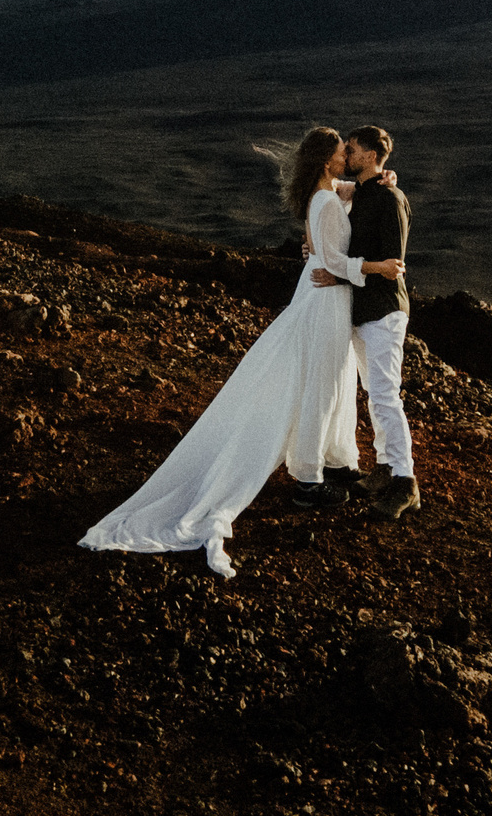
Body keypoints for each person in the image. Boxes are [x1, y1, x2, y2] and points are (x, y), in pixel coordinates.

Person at [78, 126, 405, 579]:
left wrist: (384, 179)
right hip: (327, 300)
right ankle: (309, 480)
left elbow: (348, 201)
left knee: (332, 378)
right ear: (325, 160)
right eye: (339, 152)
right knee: (321, 382)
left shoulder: (330, 193)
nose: (345, 157)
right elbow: (332, 261)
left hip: (330, 298)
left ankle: (333, 459)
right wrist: (376, 266)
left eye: (349, 151)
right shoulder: (326, 200)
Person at [302, 125, 418, 520]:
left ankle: (405, 482)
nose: (346, 154)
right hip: (363, 310)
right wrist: (317, 249)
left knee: (385, 395)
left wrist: (340, 276)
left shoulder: (389, 198)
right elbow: (325, 205)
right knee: (374, 392)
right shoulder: (364, 192)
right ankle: (385, 467)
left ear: (369, 156)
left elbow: (392, 263)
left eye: (351, 149)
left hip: (384, 310)